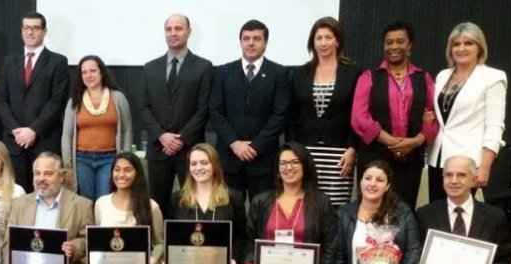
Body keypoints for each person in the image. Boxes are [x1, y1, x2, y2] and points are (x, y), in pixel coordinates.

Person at [351, 20, 438, 210]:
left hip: (410, 160)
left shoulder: (424, 79)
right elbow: (359, 117)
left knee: (403, 213)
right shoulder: (369, 77)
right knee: (371, 210)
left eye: (400, 41)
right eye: (389, 42)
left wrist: (414, 142)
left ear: (410, 45)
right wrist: (391, 141)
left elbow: (432, 120)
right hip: (375, 157)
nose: (394, 46)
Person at [138, 14, 213, 217]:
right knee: (156, 206)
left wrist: (181, 139)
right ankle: (159, 246)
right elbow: (143, 107)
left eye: (178, 28)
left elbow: (203, 109)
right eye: (169, 29)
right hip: (157, 148)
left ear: (189, 32)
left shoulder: (203, 67)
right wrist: (162, 136)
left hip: (190, 150)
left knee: (194, 204)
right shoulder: (150, 68)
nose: (173, 33)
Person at [209, 19, 291, 201]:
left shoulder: (279, 73)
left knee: (262, 215)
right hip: (229, 158)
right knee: (228, 212)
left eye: (256, 38)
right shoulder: (223, 72)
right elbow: (215, 112)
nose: (251, 43)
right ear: (240, 42)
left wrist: (255, 146)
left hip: (263, 158)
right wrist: (235, 144)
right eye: (246, 38)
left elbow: (280, 115)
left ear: (265, 43)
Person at [428, 22, 507, 201]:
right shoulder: (442, 76)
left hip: (467, 161)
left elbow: (495, 126)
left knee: (458, 217)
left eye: (468, 43)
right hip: (437, 159)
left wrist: (485, 166)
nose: (461, 48)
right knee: (438, 215)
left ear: (479, 47)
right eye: (456, 44)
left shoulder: (493, 77)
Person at [289, 16, 361, 207]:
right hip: (306, 150)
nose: (323, 43)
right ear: (312, 42)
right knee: (306, 203)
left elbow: (357, 114)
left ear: (338, 41)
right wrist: (293, 150)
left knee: (335, 205)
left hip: (339, 151)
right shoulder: (299, 73)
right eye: (318, 38)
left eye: (328, 37)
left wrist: (352, 148)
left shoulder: (353, 73)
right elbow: (292, 116)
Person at [0, 12, 70, 192]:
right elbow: (1, 100)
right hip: (15, 144)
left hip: (44, 141)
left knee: (46, 195)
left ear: (44, 31)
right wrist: (17, 131)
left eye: (35, 28)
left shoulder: (58, 62)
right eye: (26, 28)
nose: (30, 32)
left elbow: (57, 101)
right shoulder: (9, 62)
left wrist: (33, 130)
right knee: (18, 197)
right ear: (21, 31)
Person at [62, 55, 132, 201]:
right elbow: (67, 135)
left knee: (105, 201)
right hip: (82, 160)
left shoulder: (118, 98)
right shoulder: (74, 101)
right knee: (85, 202)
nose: (88, 75)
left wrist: (124, 160)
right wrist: (68, 166)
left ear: (102, 72)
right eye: (84, 72)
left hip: (110, 159)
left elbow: (126, 130)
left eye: (92, 71)